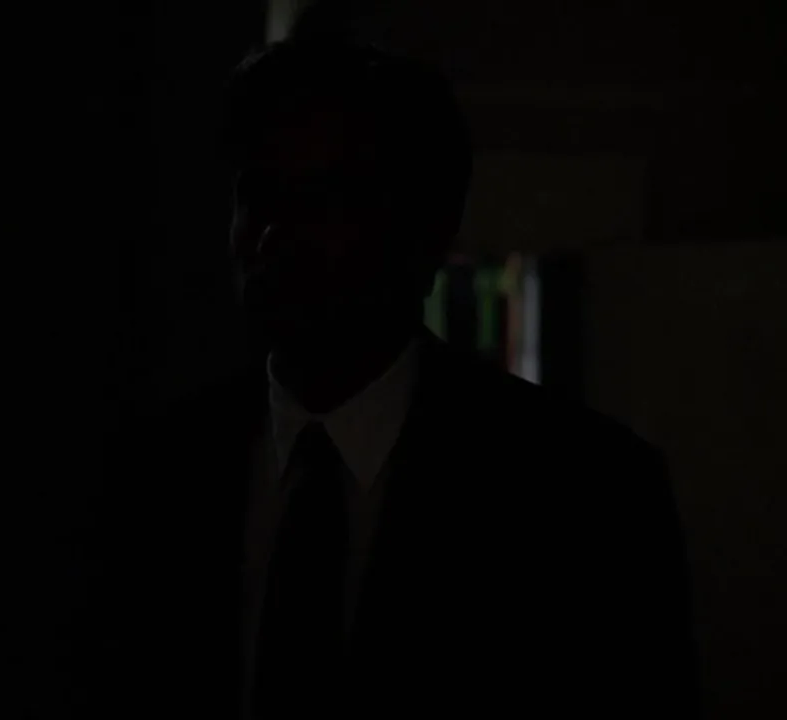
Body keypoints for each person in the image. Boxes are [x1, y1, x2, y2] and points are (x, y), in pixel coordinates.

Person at [85, 37, 700, 719]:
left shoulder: (585, 495)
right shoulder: (152, 476)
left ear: (424, 232)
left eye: (324, 200)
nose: (273, 237)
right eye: (258, 196)